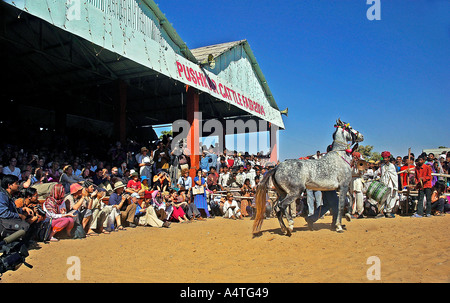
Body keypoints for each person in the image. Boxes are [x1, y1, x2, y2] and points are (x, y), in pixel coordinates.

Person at [374, 151, 399, 218]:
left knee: (389, 198)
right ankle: (381, 212)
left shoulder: (392, 166)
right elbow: (379, 173)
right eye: (384, 158)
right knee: (381, 198)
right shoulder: (382, 166)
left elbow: (394, 176)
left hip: (390, 184)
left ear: (388, 158)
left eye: (386, 158)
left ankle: (388, 211)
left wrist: (395, 186)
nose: (385, 159)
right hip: (383, 183)